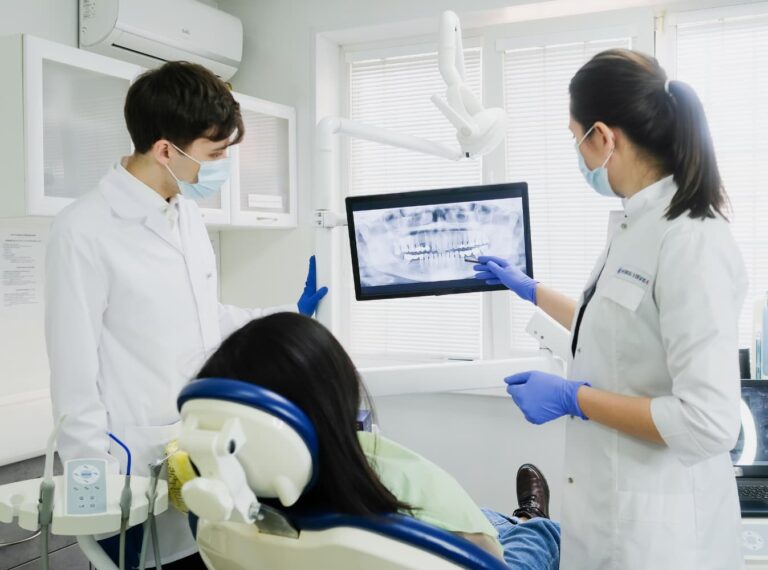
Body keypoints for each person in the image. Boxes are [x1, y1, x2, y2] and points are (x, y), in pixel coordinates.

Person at [45, 62, 328, 568]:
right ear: (164, 150)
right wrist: (96, 490)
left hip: (196, 455)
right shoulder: (84, 231)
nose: (223, 166)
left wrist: (288, 315)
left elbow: (203, 318)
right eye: (215, 154)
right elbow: (73, 374)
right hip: (129, 469)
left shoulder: (186, 216)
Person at [474, 48, 747, 569]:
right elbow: (620, 332)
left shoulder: (692, 240)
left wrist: (576, 398)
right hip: (609, 518)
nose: (576, 152)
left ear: (603, 136)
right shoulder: (635, 225)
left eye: (574, 136)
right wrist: (529, 289)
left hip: (660, 538)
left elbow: (710, 422)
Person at [189, 312, 561, 569]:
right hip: (477, 552)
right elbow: (487, 556)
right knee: (539, 537)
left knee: (486, 515)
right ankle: (532, 517)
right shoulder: (393, 488)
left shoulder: (223, 519)